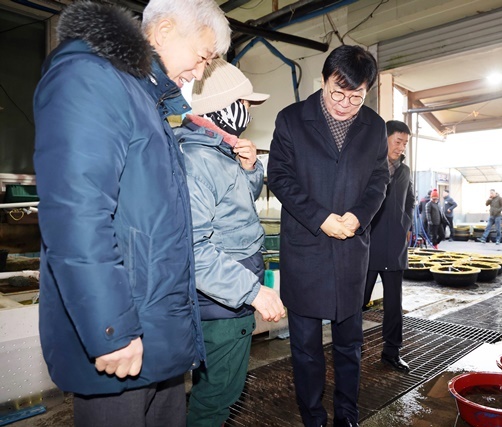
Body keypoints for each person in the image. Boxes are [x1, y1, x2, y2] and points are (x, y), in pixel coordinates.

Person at [32, 1, 230, 425]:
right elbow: (77, 216)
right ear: (165, 31)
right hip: (122, 339)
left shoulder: (147, 101)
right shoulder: (90, 79)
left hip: (156, 334)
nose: (199, 73)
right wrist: (111, 329)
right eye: (202, 57)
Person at [267, 45, 389, 427]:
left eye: (356, 97)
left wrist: (359, 216)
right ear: (323, 81)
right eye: (338, 93)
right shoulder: (292, 120)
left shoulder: (375, 127)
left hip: (351, 250)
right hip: (306, 249)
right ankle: (313, 417)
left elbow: (379, 179)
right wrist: (320, 218)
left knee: (350, 344)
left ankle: (347, 415)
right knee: (305, 348)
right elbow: (280, 177)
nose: (345, 104)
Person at [175, 59, 286, 427]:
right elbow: (194, 249)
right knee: (216, 398)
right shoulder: (198, 160)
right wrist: (251, 291)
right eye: (246, 104)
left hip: (228, 295)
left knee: (217, 391)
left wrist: (250, 169)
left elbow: (235, 205)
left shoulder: (219, 150)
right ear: (225, 107)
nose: (249, 112)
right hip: (220, 302)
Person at [362, 120, 414, 373]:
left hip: (394, 246)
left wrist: (406, 225)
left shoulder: (404, 170)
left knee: (394, 304)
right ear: (384, 139)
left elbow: (410, 200)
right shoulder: (367, 166)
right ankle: (351, 345)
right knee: (358, 300)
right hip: (368, 245)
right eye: (398, 141)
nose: (401, 147)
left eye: (405, 143)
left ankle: (392, 352)